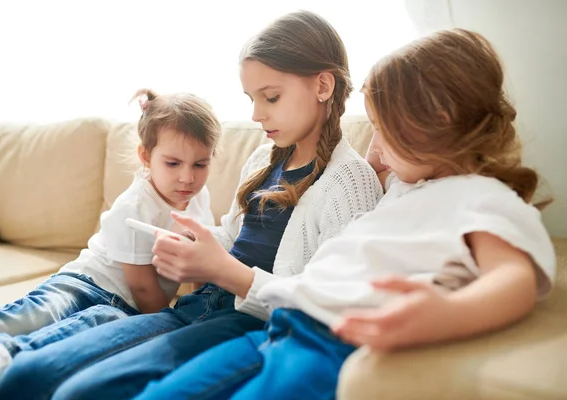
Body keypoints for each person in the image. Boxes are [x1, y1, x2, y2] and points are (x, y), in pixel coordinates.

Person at [132, 28, 556, 400]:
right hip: (282, 322)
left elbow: (512, 278)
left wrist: (447, 315)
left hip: (329, 341)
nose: (374, 142)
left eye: (382, 127)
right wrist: (388, 159)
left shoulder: (483, 198)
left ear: (438, 122)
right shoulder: (407, 189)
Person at [0, 10, 383, 400]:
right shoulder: (264, 159)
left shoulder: (349, 179)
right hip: (198, 304)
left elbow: (327, 301)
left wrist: (222, 269)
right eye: (251, 99)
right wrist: (192, 241)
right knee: (26, 375)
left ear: (322, 85)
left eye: (271, 97)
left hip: (245, 322)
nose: (255, 114)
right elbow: (234, 238)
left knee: (79, 393)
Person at [0, 89, 220, 400]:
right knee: (30, 316)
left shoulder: (199, 200)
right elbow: (141, 287)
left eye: (200, 165)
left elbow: (198, 258)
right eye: (173, 163)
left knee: (78, 333)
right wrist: (169, 322)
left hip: (123, 309)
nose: (187, 178)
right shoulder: (136, 205)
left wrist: (197, 307)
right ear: (146, 157)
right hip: (86, 283)